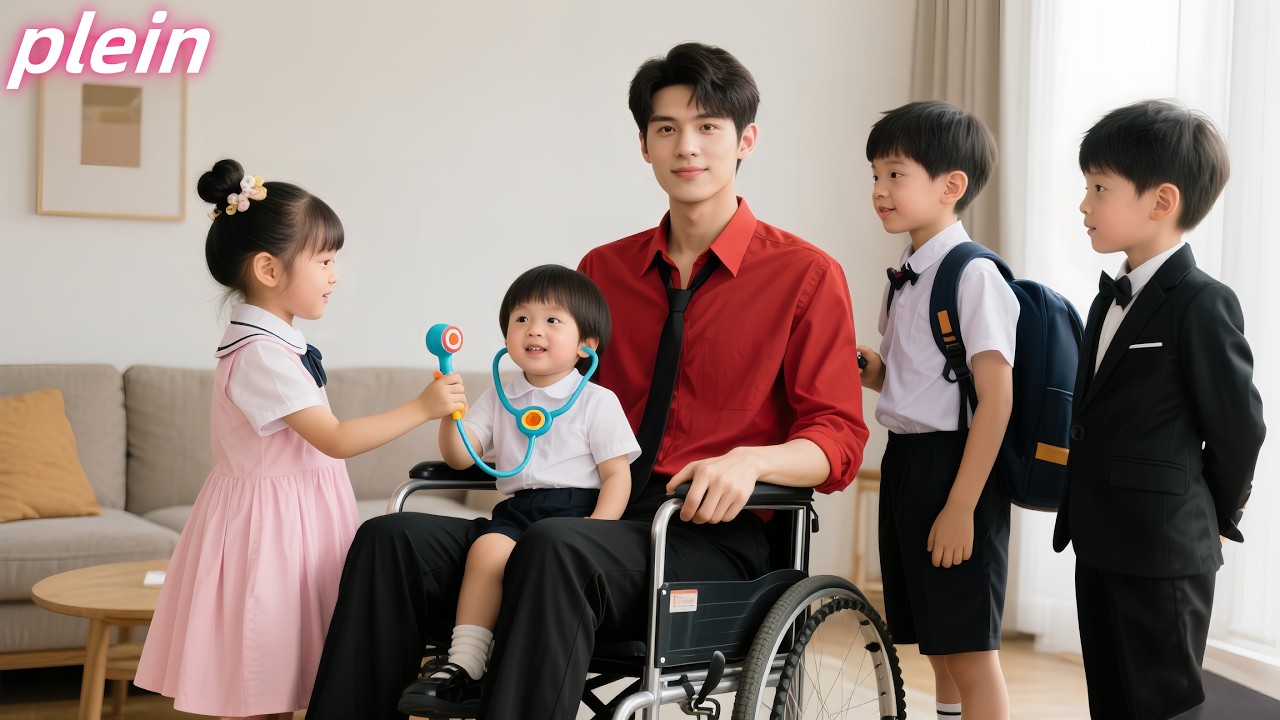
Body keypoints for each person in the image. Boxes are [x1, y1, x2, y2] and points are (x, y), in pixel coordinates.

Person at [305, 42, 867, 720]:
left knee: (557, 547)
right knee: (391, 539)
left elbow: (837, 439)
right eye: (667, 129)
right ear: (644, 146)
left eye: (708, 127)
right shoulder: (603, 271)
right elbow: (546, 392)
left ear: (746, 139)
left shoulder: (805, 276)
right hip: (578, 517)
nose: (687, 146)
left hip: (709, 537)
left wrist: (753, 459)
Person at [134, 158, 466, 720]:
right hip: (273, 529)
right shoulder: (261, 353)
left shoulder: (274, 341)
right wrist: (421, 407)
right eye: (326, 261)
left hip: (296, 516)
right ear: (269, 268)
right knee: (264, 674)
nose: (335, 275)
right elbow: (333, 438)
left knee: (292, 673)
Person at [1053, 100, 1265, 720]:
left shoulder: (1202, 303)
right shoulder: (1107, 299)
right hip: (1097, 536)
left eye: (1099, 188)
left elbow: (1239, 427)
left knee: (1163, 704)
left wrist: (1215, 511)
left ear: (1161, 202)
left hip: (1163, 548)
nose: (1084, 205)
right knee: (1112, 703)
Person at [414, 264, 640, 713]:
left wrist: (597, 531)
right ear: (506, 337)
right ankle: (465, 663)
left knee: (545, 556)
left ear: (585, 346)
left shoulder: (598, 401)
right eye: (521, 319)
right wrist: (447, 411)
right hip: (519, 510)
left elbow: (618, 476)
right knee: (486, 553)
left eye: (552, 320)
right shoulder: (499, 394)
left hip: (575, 514)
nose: (534, 330)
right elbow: (461, 456)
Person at [856, 101, 1015, 720]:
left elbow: (995, 399)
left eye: (896, 174)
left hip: (956, 468)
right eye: (875, 175)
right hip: (908, 462)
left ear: (952, 186)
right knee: (938, 643)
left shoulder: (973, 276)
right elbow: (916, 380)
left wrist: (961, 505)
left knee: (972, 650)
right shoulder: (908, 275)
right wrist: (870, 371)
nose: (879, 190)